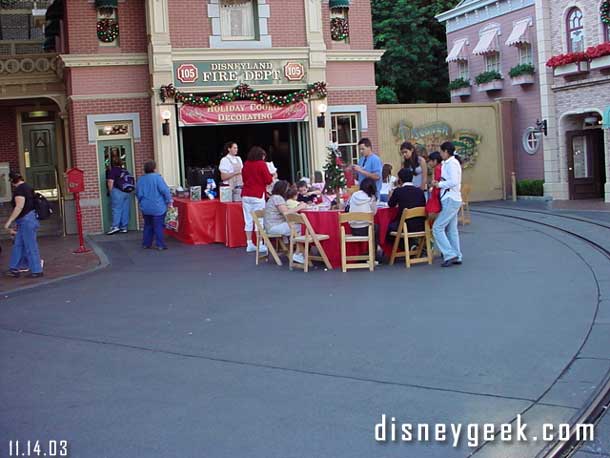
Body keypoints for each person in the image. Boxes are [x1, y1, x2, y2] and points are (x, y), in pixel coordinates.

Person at [4, 172, 43, 278]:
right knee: (18, 244)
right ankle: (14, 268)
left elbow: (19, 207)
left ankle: (37, 270)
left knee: (30, 245)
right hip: (28, 219)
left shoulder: (19, 190)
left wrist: (9, 222)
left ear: (13, 181)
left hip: (26, 221)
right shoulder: (28, 187)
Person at [431, 141, 463, 267]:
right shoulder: (450, 163)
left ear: (446, 152)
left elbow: (454, 181)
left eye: (441, 152)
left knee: (437, 227)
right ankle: (456, 254)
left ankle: (450, 254)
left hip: (450, 197)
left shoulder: (451, 164)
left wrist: (439, 184)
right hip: (452, 198)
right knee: (452, 229)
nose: (440, 154)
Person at [264, 180, 307, 263]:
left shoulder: (274, 197)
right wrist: (300, 207)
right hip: (274, 226)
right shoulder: (277, 198)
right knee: (301, 227)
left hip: (272, 225)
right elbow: (286, 213)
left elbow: (286, 211)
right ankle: (298, 253)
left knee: (297, 226)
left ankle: (297, 250)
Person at [241, 146, 273, 253]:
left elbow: (244, 178)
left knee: (248, 220)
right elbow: (268, 180)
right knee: (260, 220)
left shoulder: (246, 164)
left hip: (246, 194)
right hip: (258, 194)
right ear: (261, 156)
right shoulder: (261, 164)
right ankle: (260, 243)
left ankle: (249, 243)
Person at [135, 160, 172, 250]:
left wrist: (141, 202)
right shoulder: (158, 178)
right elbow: (165, 191)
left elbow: (137, 193)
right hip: (157, 207)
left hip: (145, 207)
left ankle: (146, 243)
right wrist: (169, 201)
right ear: (154, 169)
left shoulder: (141, 180)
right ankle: (160, 244)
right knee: (158, 226)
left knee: (148, 225)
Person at [348, 177, 383, 262]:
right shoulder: (371, 198)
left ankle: (371, 252)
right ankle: (374, 254)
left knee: (374, 228)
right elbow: (374, 213)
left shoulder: (354, 195)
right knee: (376, 228)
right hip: (366, 229)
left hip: (353, 229)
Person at [387, 168, 426, 239]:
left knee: (387, 228)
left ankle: (401, 247)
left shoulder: (398, 191)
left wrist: (390, 196)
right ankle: (412, 245)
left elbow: (391, 204)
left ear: (400, 180)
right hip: (421, 225)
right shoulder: (420, 191)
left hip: (404, 226)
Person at [106, 155, 132, 235]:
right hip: (126, 192)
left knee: (116, 209)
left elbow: (110, 182)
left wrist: (110, 191)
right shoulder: (124, 170)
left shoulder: (113, 171)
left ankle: (115, 226)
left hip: (117, 192)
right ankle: (124, 227)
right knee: (125, 209)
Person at [425, 151, 443, 223]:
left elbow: (437, 181)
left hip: (437, 194)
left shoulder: (437, 169)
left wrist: (433, 184)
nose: (429, 163)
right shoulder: (441, 167)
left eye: (430, 161)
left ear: (435, 161)